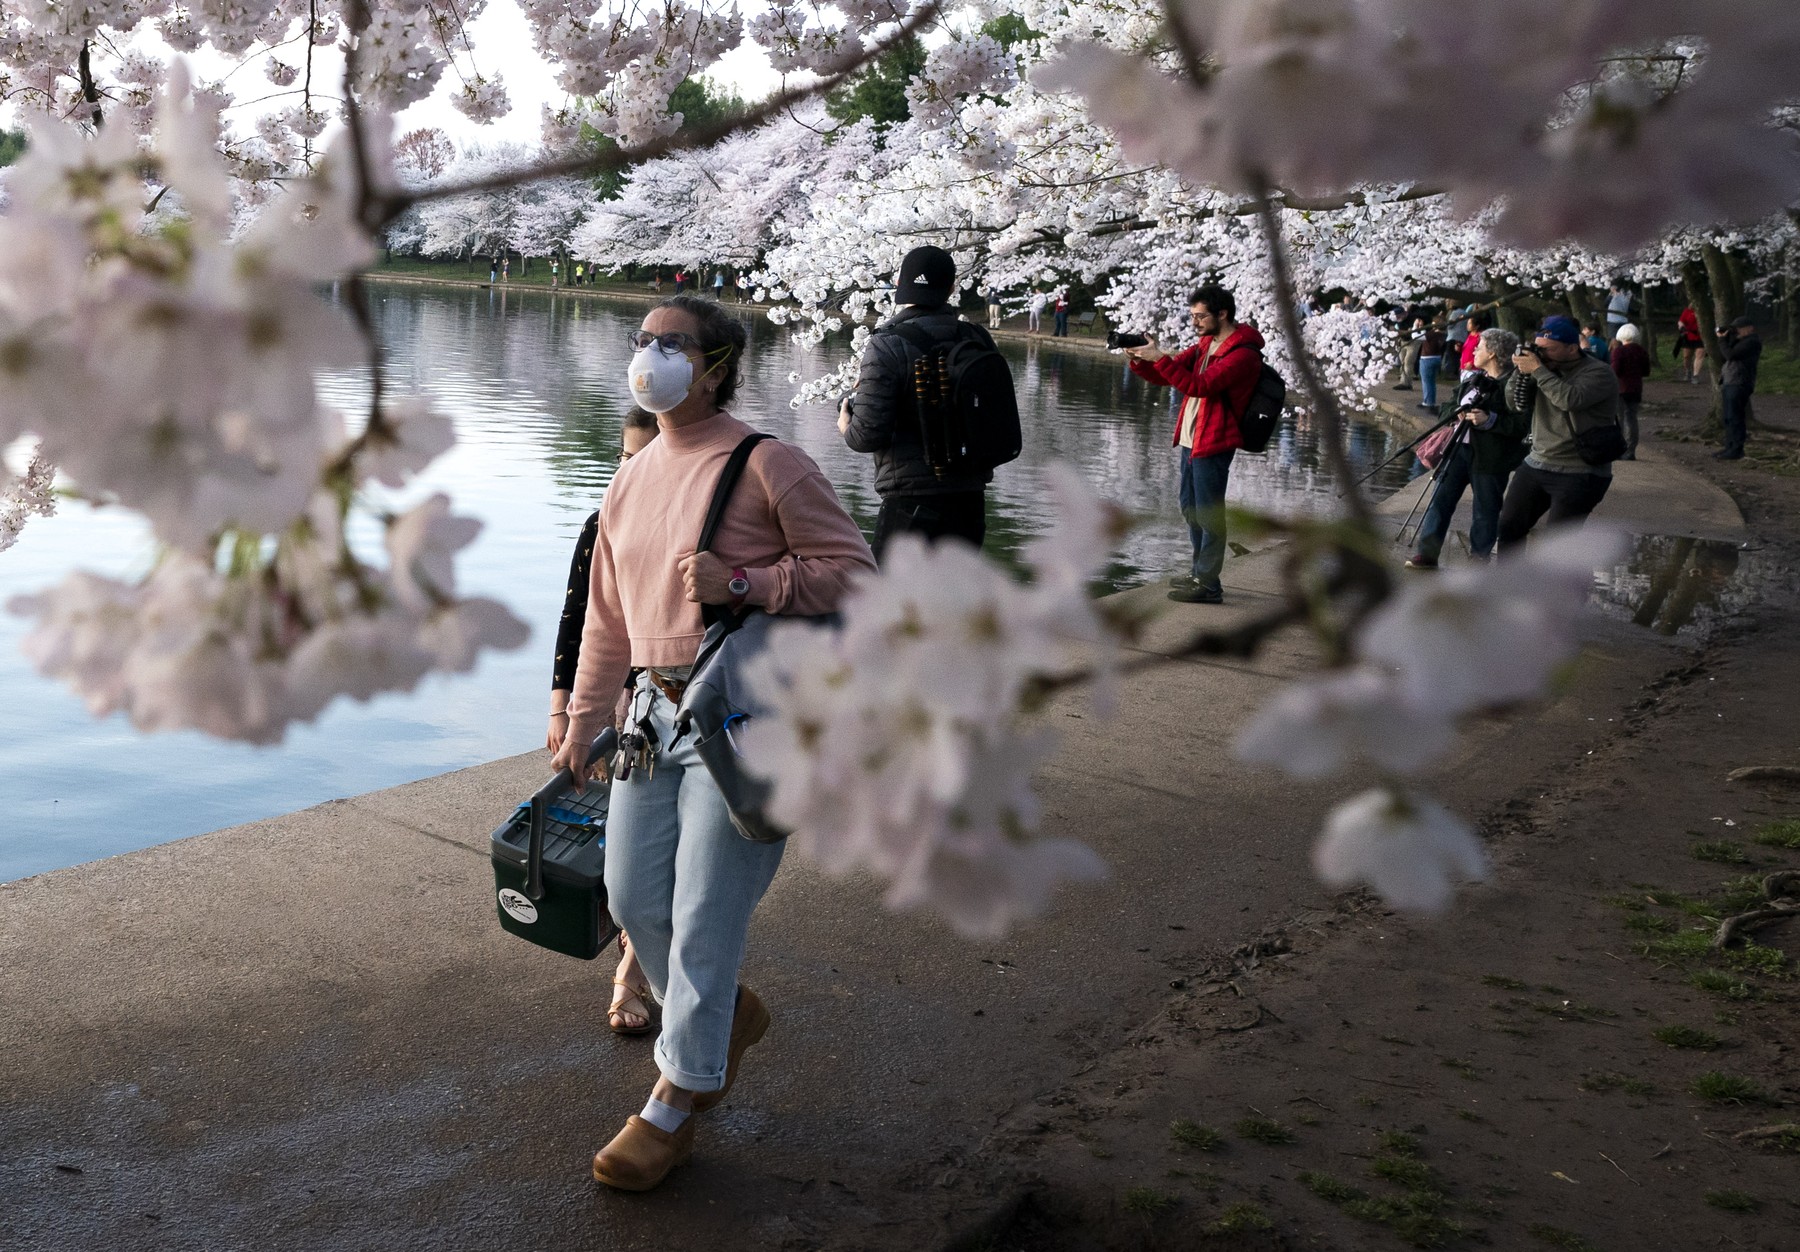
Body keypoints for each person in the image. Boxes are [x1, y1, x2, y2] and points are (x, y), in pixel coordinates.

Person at [554, 295, 875, 1191]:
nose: (651, 356)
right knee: (630, 894)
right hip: (650, 722)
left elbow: (853, 572)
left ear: (718, 364)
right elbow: (607, 620)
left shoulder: (769, 462)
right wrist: (583, 717)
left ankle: (675, 1100)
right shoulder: (631, 474)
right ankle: (721, 1017)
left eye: (673, 343)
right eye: (643, 341)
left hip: (742, 719)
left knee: (704, 914)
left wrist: (743, 578)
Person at [547, 407, 662, 1037]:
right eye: (624, 456)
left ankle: (630, 976)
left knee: (661, 847)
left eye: (645, 457)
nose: (630, 470)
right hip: (617, 701)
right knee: (623, 842)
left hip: (677, 700)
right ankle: (632, 945)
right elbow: (576, 620)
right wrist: (563, 709)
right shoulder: (602, 522)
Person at [838, 245, 1002, 558]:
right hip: (969, 501)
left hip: (911, 506)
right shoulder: (978, 338)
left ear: (899, 284)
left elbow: (867, 435)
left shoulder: (887, 343)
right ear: (952, 289)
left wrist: (847, 423)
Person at [1124, 285, 1264, 604]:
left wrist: (1160, 358)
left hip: (1214, 440)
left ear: (1222, 314)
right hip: (1192, 438)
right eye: (1192, 316)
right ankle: (1198, 572)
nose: (1195, 322)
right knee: (1190, 508)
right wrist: (1141, 359)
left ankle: (1209, 584)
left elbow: (1199, 386)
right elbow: (1169, 377)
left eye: (1200, 316)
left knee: (1209, 513)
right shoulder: (1205, 343)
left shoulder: (1242, 353)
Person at [1404, 328, 1530, 569]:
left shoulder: (1512, 387)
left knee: (1486, 509)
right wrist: (1455, 412)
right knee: (1439, 502)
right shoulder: (1472, 379)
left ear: (1492, 353)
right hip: (1458, 451)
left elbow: (1522, 424)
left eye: (1479, 347)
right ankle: (1427, 553)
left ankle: (1478, 560)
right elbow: (1447, 407)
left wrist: (1489, 419)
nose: (1474, 349)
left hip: (1491, 457)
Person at [1497, 316, 1622, 550]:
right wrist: (1521, 372)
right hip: (1537, 463)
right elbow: (1514, 404)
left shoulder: (1599, 372)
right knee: (1508, 527)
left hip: (1581, 470)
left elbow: (1568, 399)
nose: (1541, 355)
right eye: (1538, 349)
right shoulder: (1543, 368)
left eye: (1548, 349)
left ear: (1572, 348)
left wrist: (1537, 369)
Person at [1716, 315, 1762, 461]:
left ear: (1750, 328)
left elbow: (1730, 355)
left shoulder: (1752, 342)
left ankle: (1736, 449)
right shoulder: (1740, 341)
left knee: (1735, 417)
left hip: (1740, 382)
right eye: (1736, 329)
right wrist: (1729, 338)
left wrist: (1722, 340)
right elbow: (1725, 356)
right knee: (1728, 417)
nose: (1738, 331)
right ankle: (1729, 446)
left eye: (1740, 328)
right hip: (1731, 381)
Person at [1608, 323, 1650, 460]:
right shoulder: (1642, 351)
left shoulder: (1619, 351)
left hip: (1621, 388)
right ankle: (1631, 449)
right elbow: (1646, 371)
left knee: (1620, 418)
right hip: (1636, 388)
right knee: (1632, 418)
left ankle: (1620, 448)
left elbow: (1615, 371)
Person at [1417, 317, 1447, 409]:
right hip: (1437, 358)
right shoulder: (1442, 334)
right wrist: (1421, 327)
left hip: (1427, 359)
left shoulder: (1432, 333)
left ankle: (1428, 403)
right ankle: (1430, 401)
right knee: (1431, 382)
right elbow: (1424, 337)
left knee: (1426, 382)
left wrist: (1415, 326)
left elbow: (1415, 337)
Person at [1677, 305, 1704, 382]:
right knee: (1687, 356)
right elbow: (1681, 321)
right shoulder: (1687, 311)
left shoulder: (1706, 311)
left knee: (1699, 355)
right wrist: (1681, 326)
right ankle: (1688, 371)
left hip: (1701, 337)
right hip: (1688, 336)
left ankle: (1696, 376)